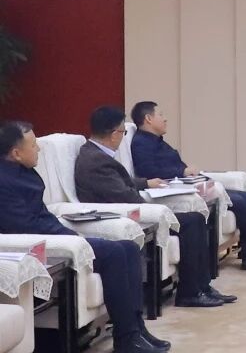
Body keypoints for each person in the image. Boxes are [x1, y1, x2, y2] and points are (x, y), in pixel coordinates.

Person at [0, 121, 169, 353]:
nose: (39, 149)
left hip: (56, 234)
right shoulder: (4, 182)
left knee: (129, 248)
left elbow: (42, 215)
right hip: (43, 246)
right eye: (34, 145)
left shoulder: (24, 171)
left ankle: (135, 329)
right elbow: (25, 226)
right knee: (113, 254)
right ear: (16, 153)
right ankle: (126, 341)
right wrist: (70, 237)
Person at [75, 106, 235, 308]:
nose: (123, 137)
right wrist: (154, 208)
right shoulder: (96, 160)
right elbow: (123, 195)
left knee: (194, 219)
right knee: (192, 222)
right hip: (120, 215)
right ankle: (190, 292)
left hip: (125, 207)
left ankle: (201, 286)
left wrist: (145, 183)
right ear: (114, 134)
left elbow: (119, 183)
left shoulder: (97, 154)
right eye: (123, 132)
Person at [129, 101, 246, 271]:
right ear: (148, 119)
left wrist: (190, 174)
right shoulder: (141, 143)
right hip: (175, 191)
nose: (165, 119)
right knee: (239, 201)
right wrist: (183, 171)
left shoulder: (157, 141)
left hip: (188, 185)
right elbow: (148, 171)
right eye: (160, 114)